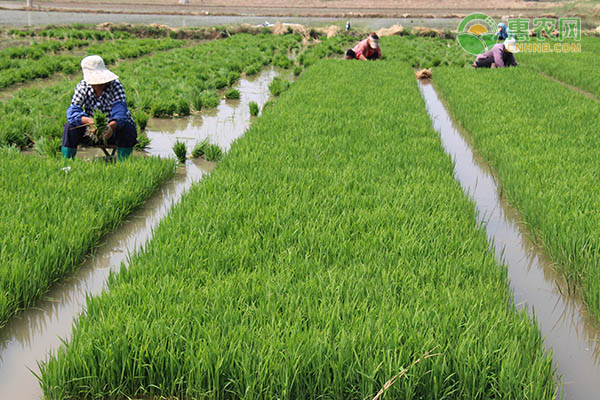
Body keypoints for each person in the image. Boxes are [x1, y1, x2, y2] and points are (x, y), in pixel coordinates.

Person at [62, 55, 137, 161]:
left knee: (127, 127)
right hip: (91, 130)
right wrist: (90, 121)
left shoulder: (115, 86)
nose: (99, 84)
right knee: (69, 127)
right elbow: (73, 111)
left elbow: (120, 112)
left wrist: (110, 127)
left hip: (114, 130)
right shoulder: (83, 87)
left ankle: (124, 164)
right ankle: (67, 162)